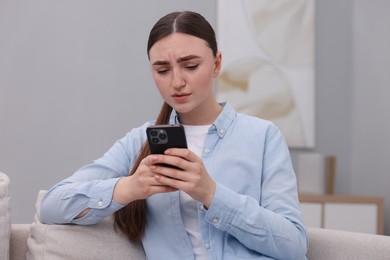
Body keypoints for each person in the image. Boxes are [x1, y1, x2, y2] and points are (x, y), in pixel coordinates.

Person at [40, 11, 308, 260]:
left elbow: (293, 244)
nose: (177, 82)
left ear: (216, 64)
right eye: (162, 70)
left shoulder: (263, 137)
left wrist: (211, 194)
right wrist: (129, 187)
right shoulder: (138, 142)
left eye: (190, 66)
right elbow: (51, 205)